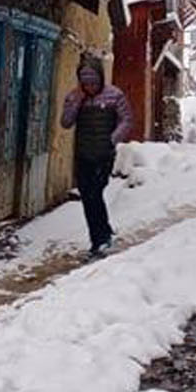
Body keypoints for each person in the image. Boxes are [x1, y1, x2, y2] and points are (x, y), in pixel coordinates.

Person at [60, 55, 134, 257]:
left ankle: (99, 240)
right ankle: (102, 234)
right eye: (85, 83)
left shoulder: (114, 95)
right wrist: (73, 103)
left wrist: (113, 139)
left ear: (100, 79)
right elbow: (66, 123)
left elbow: (126, 120)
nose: (90, 87)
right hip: (83, 154)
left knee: (94, 194)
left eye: (93, 82)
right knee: (88, 196)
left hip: (103, 155)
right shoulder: (76, 97)